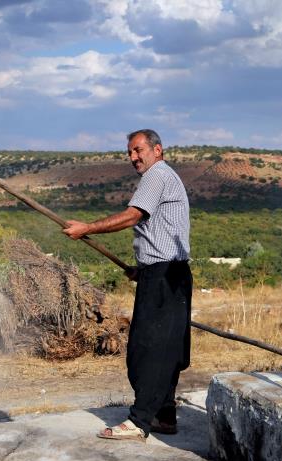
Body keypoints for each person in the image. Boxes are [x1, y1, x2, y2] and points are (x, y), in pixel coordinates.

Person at [62, 129, 192, 442]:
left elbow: (133, 216)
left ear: (157, 150)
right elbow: (160, 231)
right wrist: (143, 268)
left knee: (147, 351)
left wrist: (87, 228)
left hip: (165, 276)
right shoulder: (164, 176)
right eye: (129, 153)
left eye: (138, 150)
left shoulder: (156, 175)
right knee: (167, 349)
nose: (133, 158)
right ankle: (164, 416)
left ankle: (139, 421)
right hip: (166, 273)